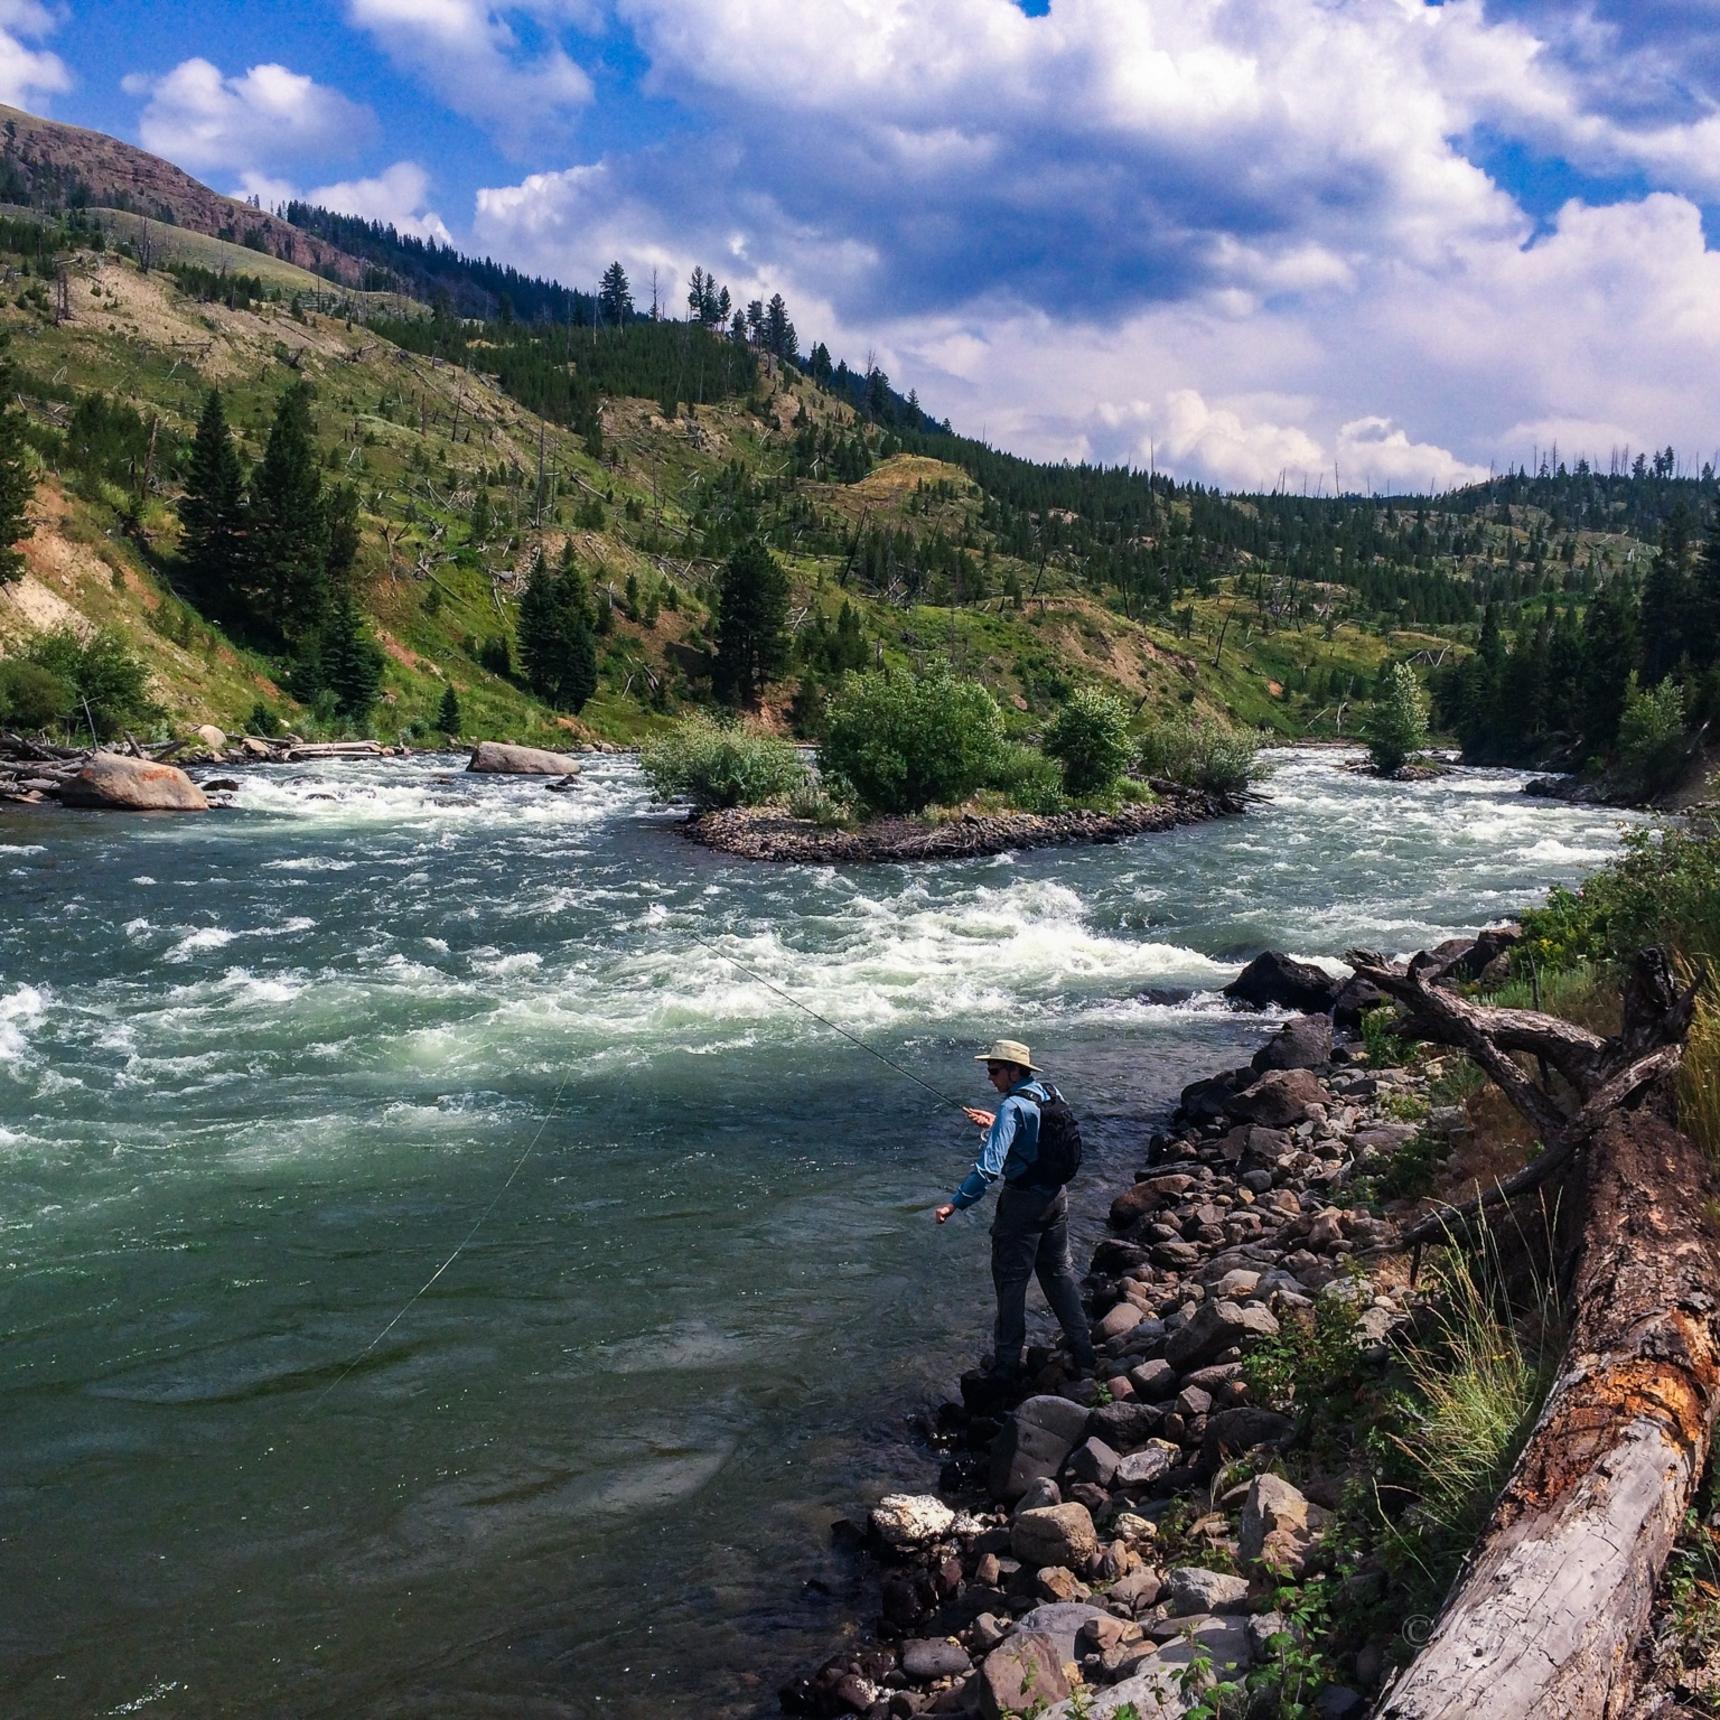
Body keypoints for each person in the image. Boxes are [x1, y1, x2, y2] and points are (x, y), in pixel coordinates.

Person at [935, 1038, 1096, 1378]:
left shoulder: (1012, 1108)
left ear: (1013, 1071)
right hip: (1056, 1198)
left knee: (1011, 1282)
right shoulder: (1050, 1092)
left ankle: (1006, 1367)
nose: (989, 1077)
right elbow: (1040, 1138)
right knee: (1058, 1274)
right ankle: (1085, 1351)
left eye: (994, 1071)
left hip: (1022, 1206)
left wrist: (956, 1203)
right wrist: (996, 1123)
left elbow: (989, 1169)